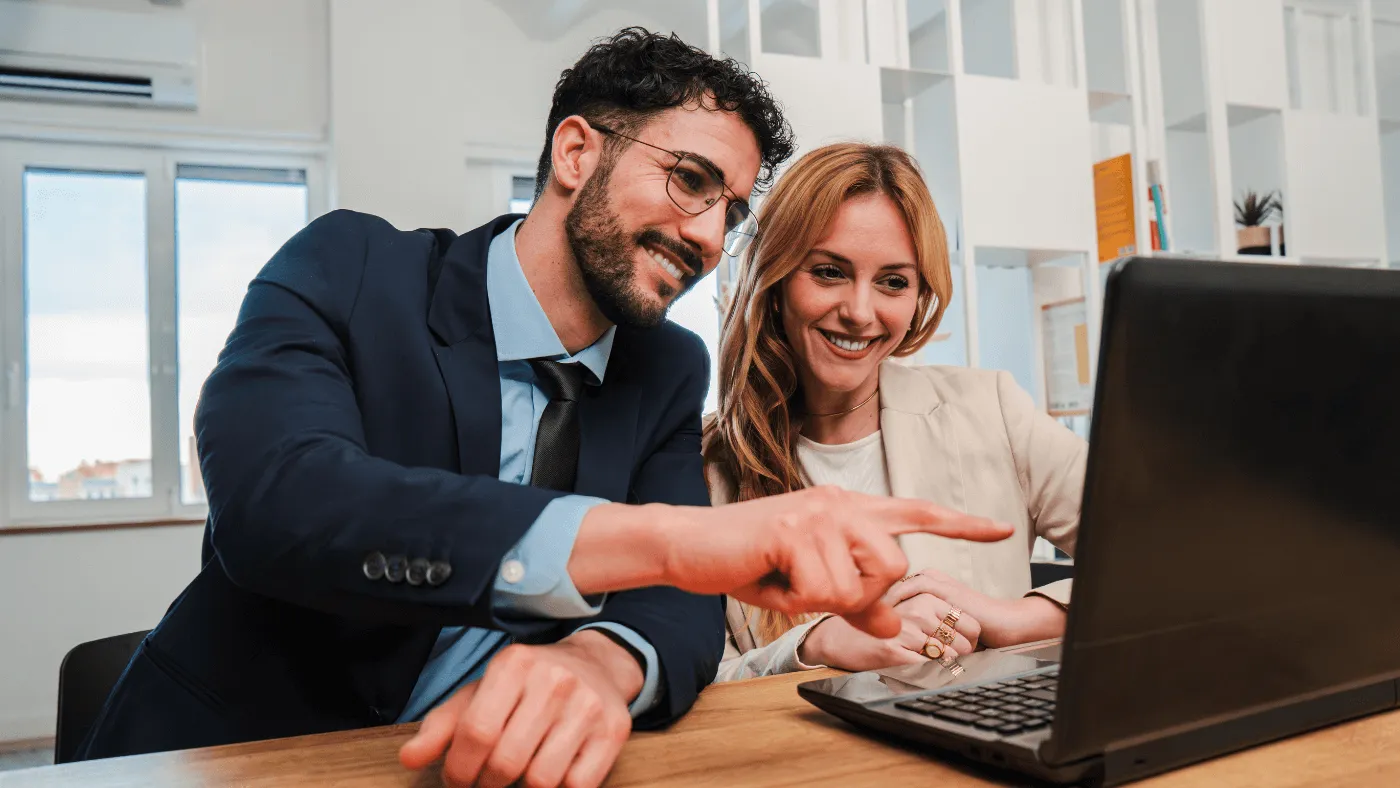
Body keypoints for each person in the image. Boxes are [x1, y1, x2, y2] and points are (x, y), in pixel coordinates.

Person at [76, 31, 1011, 788]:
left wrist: (597, 664)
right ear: (576, 152)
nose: (707, 237)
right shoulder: (352, 270)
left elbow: (675, 618)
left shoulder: (667, 368)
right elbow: (281, 507)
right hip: (234, 755)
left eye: (729, 211)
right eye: (691, 180)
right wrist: (670, 542)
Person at [705, 142, 1085, 682]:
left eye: (893, 282)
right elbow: (689, 681)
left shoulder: (991, 409)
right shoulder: (706, 462)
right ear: (777, 278)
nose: (860, 313)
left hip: (975, 751)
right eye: (829, 272)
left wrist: (1011, 619)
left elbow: (1168, 556)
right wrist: (815, 645)